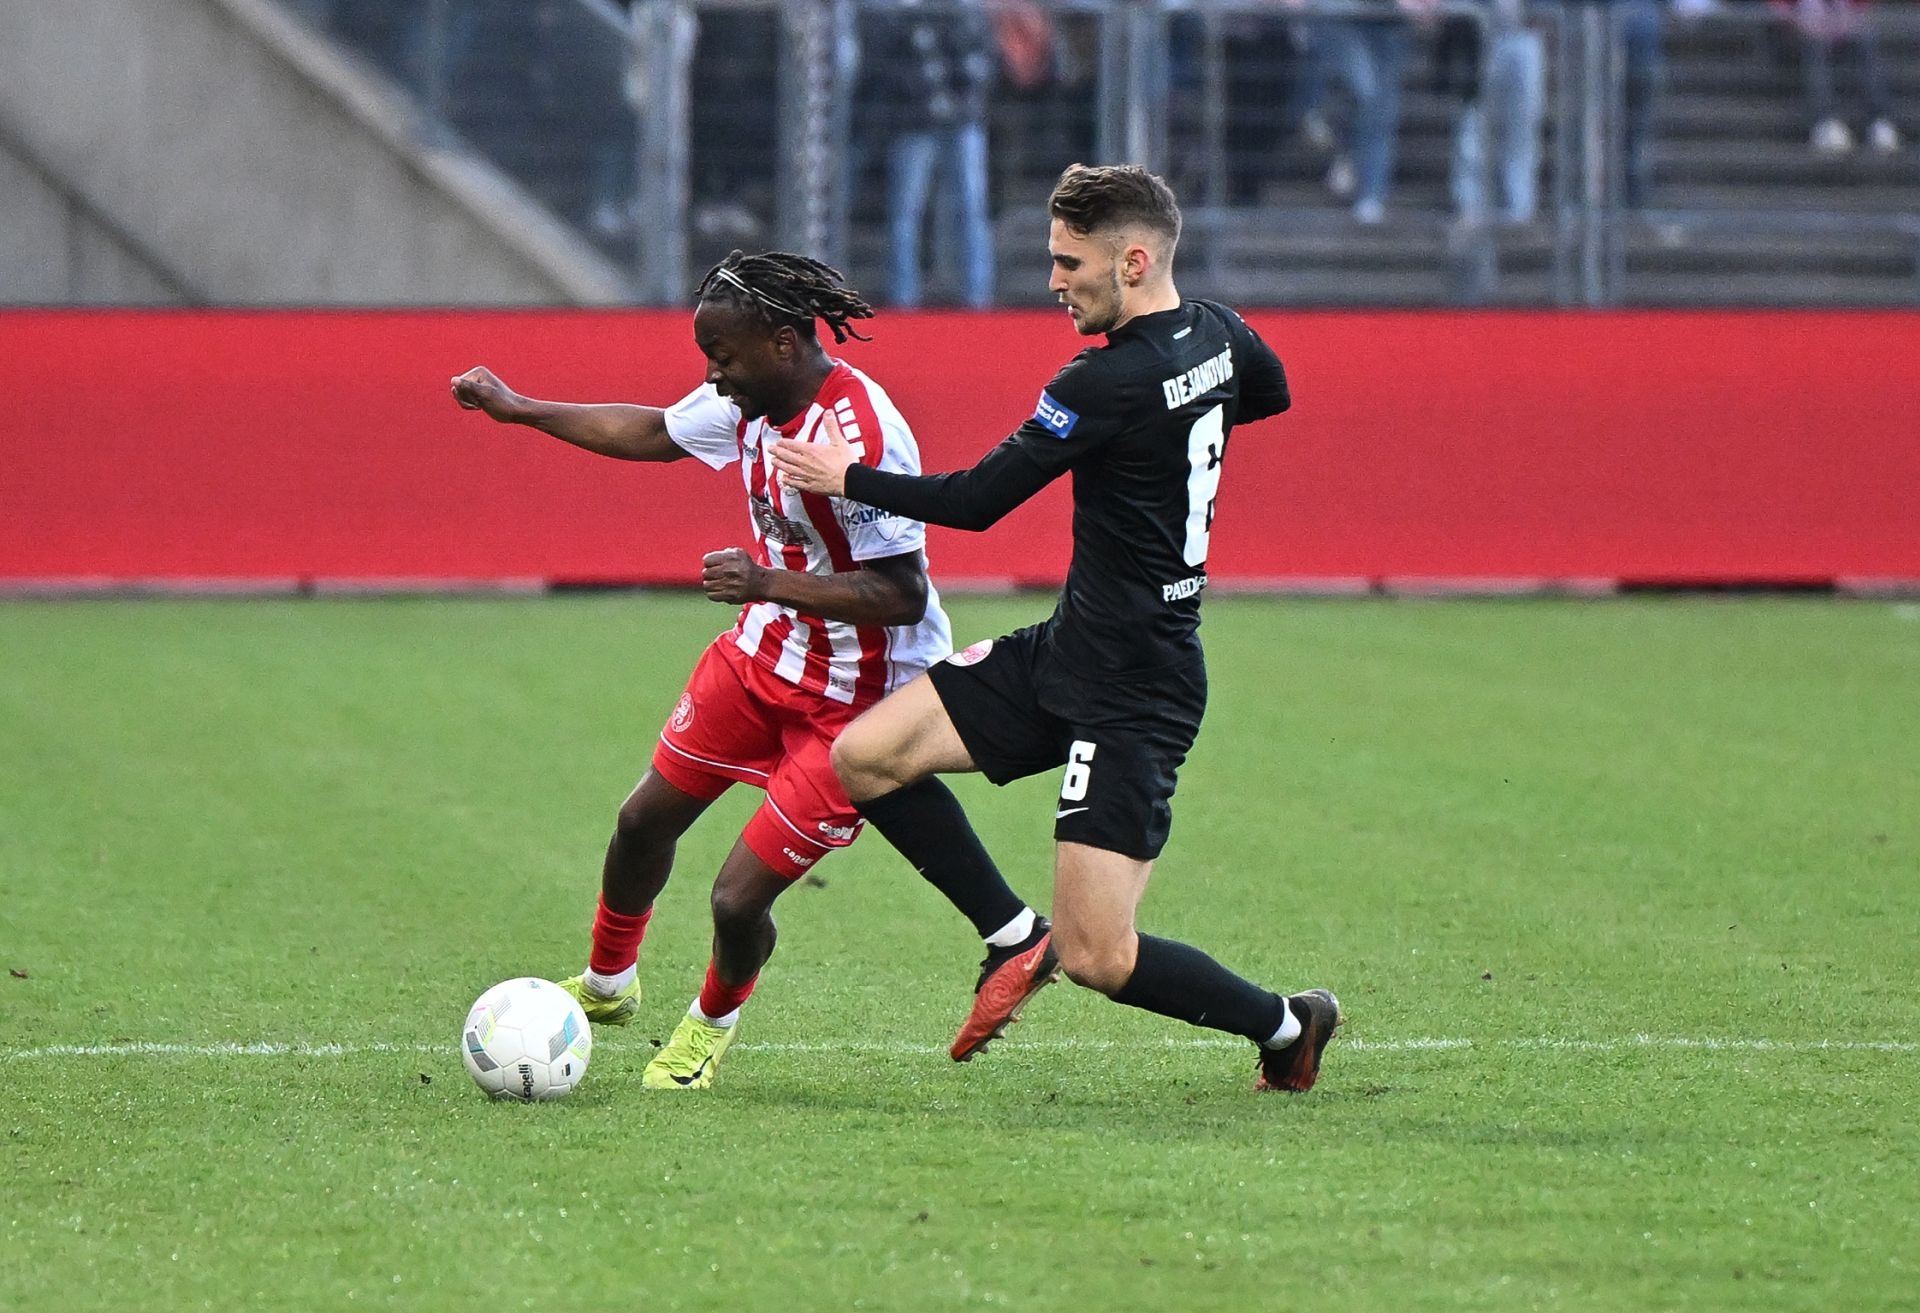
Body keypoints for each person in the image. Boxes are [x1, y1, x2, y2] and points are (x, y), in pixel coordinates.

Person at [772, 165, 1341, 1092]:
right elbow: (1265, 394)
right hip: (1068, 649)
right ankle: (1011, 936)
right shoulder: (1221, 332)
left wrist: (847, 477)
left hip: (1138, 690)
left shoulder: (1105, 378)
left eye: (1069, 263)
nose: (1053, 281)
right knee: (865, 756)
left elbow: (978, 502)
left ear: (1133, 260)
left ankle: (1289, 1023)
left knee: (1099, 957)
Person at [449, 250, 1047, 1090]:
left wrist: (766, 580)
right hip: (760, 657)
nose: (712, 375)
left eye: (722, 356)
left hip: (856, 699)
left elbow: (902, 593)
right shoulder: (748, 398)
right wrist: (521, 409)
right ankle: (609, 985)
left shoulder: (860, 433)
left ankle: (708, 1027)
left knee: (735, 900)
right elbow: (654, 432)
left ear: (782, 342)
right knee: (640, 823)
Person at [860, 0, 999, 307]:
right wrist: (926, 97)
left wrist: (956, 101)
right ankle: (903, 298)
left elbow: (983, 62)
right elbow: (890, 67)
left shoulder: (966, 12)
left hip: (963, 121)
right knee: (905, 212)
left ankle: (978, 297)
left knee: (971, 209)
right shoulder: (901, 14)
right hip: (914, 121)